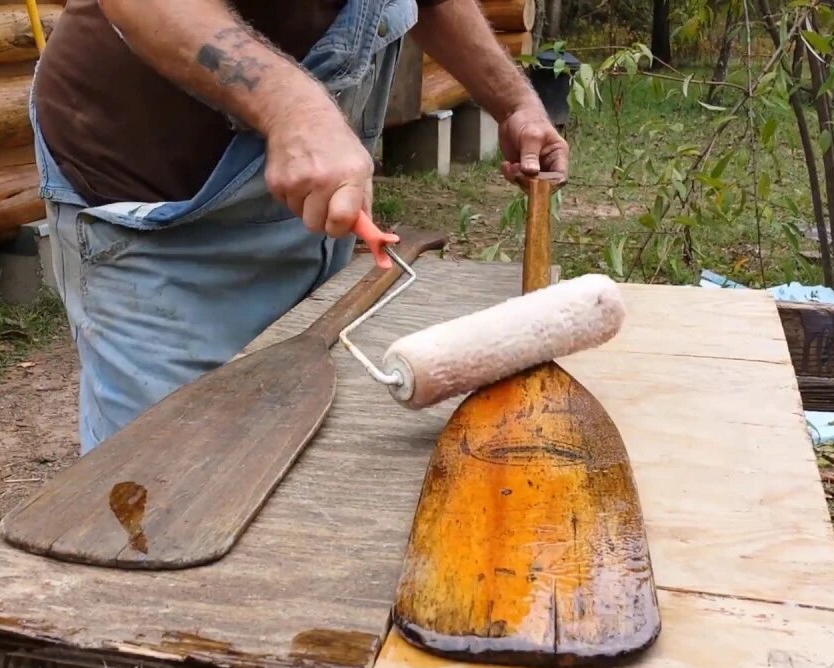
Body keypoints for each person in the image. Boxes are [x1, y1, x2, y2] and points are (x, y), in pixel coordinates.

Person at [30, 0, 570, 454]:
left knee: (286, 450)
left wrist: (515, 102)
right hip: (156, 215)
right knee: (162, 481)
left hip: (300, 200)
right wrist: (294, 108)